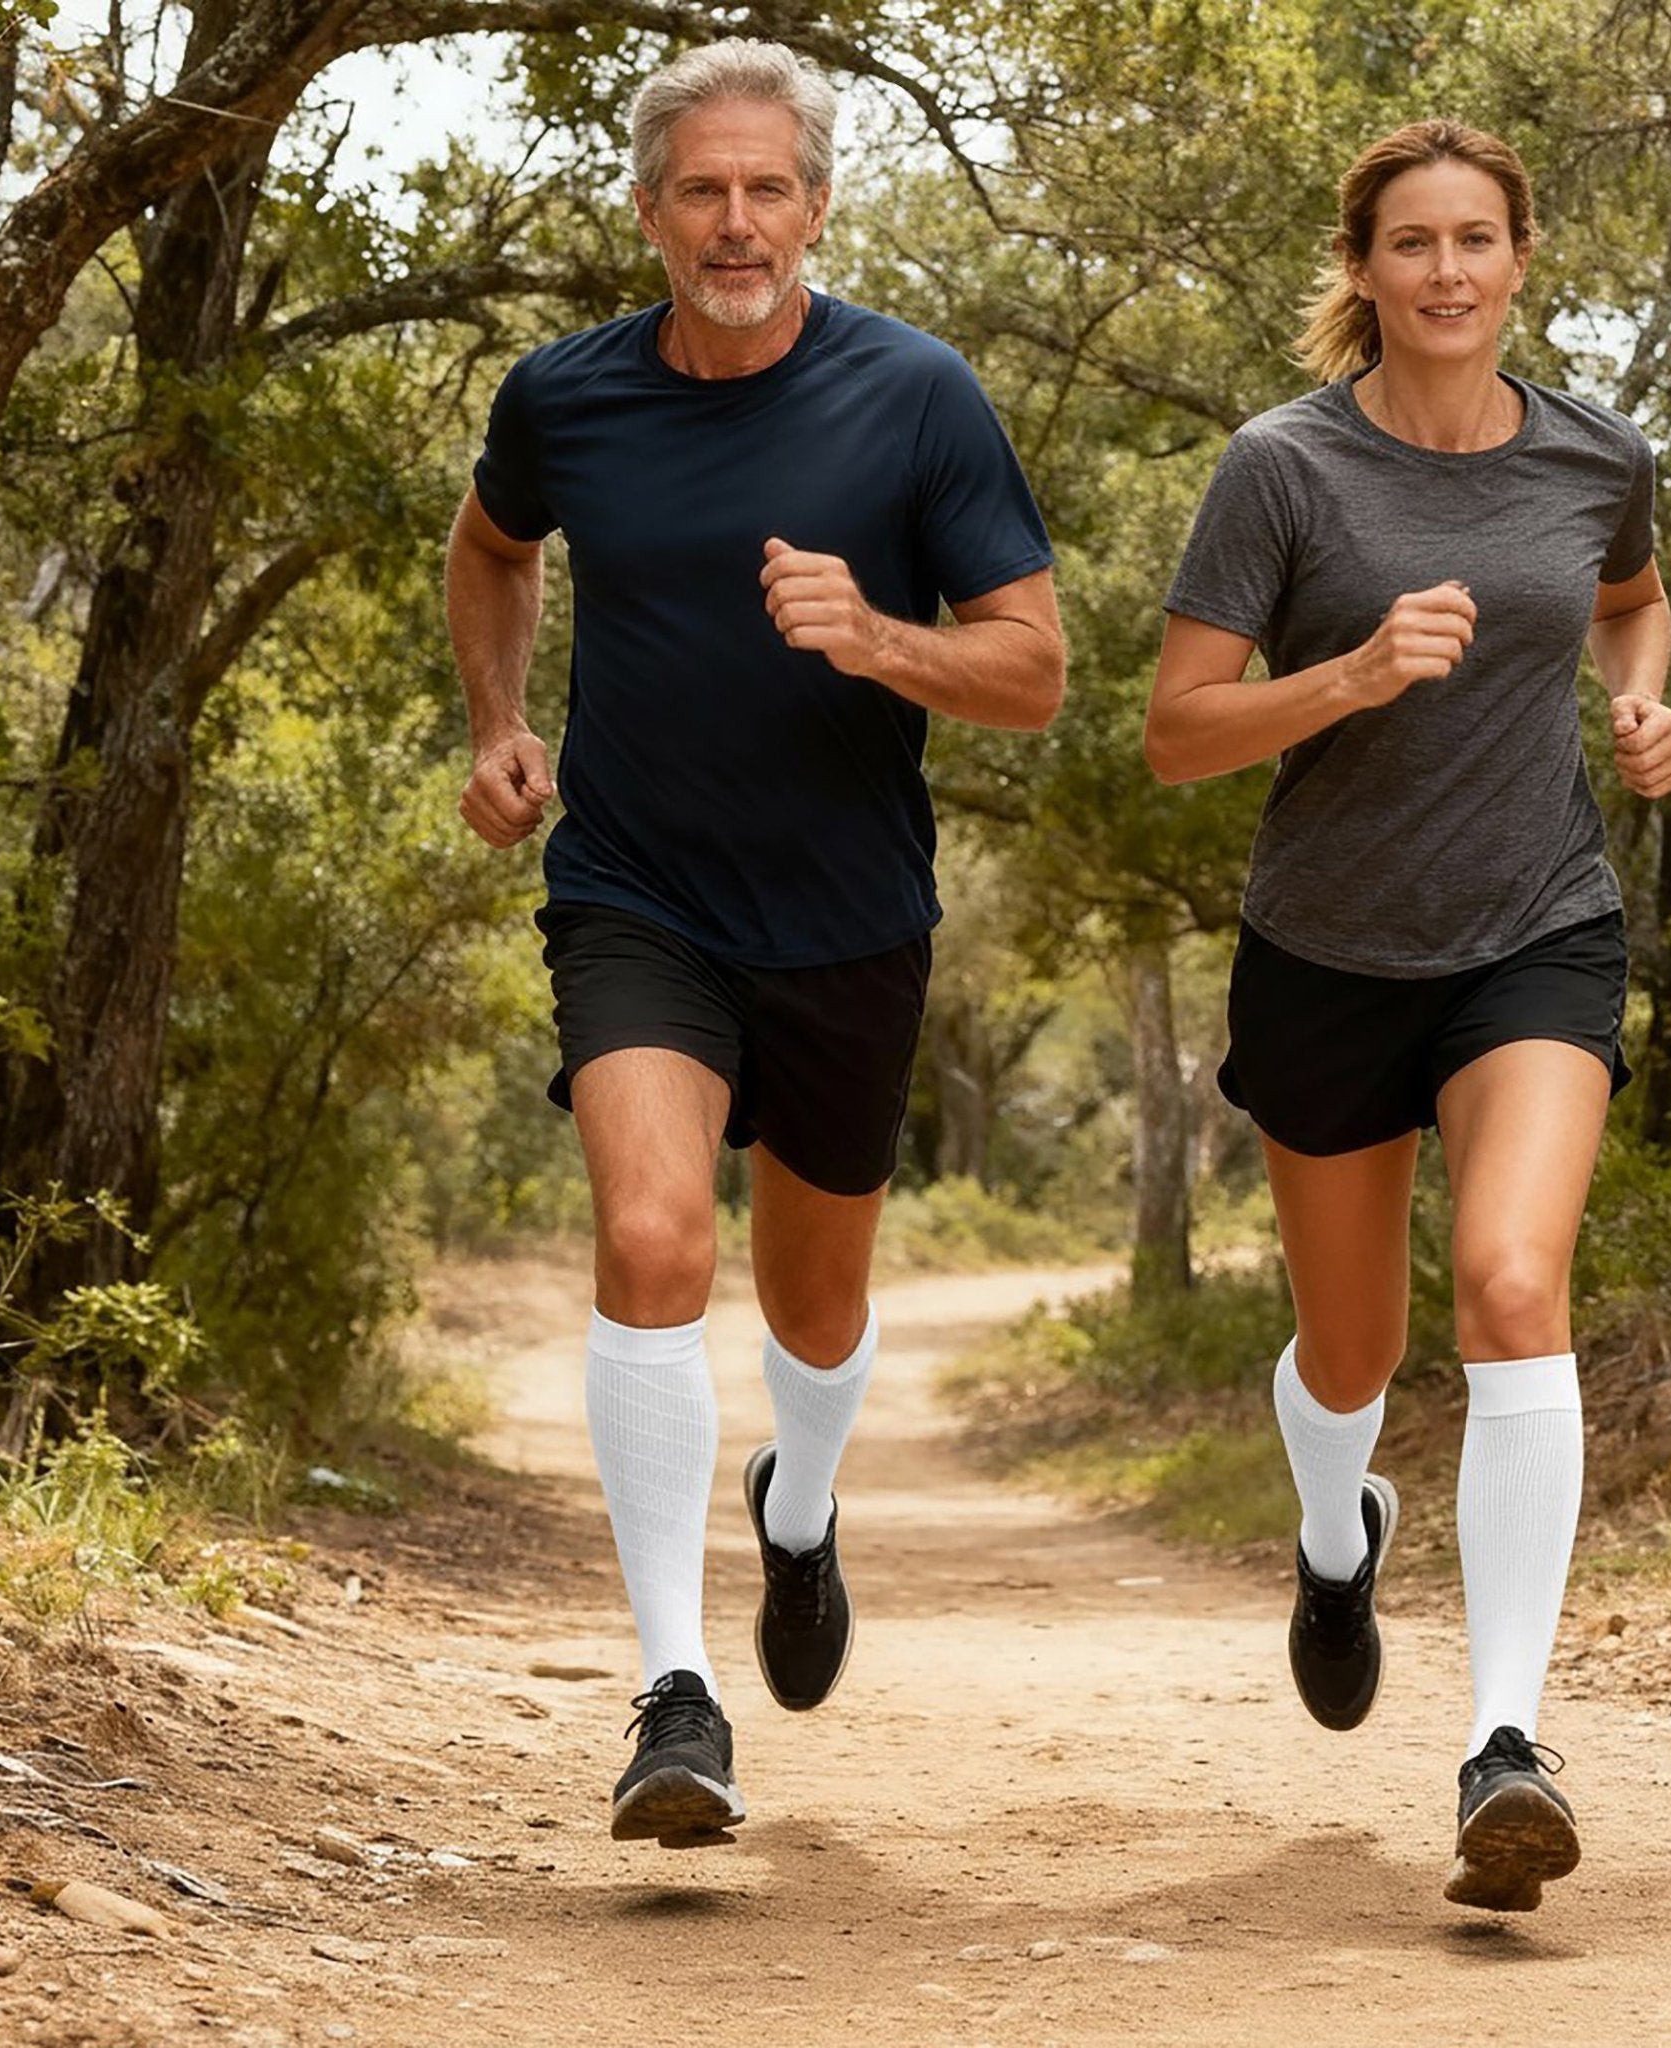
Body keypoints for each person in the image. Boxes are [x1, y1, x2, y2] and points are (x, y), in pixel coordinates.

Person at [446, 38, 1063, 1850]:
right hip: (636, 889)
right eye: (702, 190)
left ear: (813, 206)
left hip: (849, 917)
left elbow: (1030, 670)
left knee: (815, 1305)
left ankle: (800, 1515)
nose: (736, 222)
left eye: (767, 188)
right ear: (650, 212)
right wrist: (496, 722)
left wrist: (879, 638)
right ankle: (674, 1693)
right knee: (648, 1237)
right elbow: (493, 547)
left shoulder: (918, 396)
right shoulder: (566, 398)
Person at [1146, 119, 1671, 1912]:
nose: (1447, 273)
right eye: (1411, 244)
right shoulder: (1282, 471)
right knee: (1357, 1355)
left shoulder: (1596, 454)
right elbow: (1176, 733)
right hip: (1327, 952)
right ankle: (1336, 1526)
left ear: (1522, 256)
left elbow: (1632, 600)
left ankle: (1506, 1742)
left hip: (1536, 928)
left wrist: (1637, 708)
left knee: (1516, 1289)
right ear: (1362, 269)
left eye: (1477, 240)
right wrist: (1356, 674)